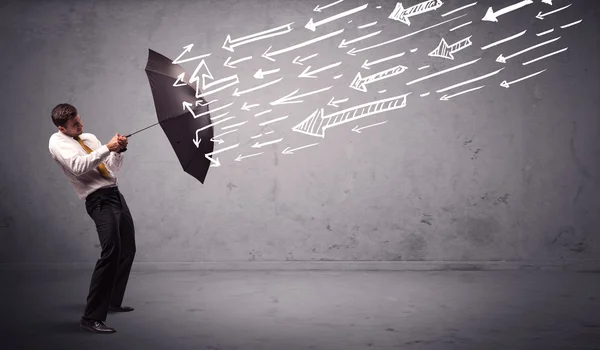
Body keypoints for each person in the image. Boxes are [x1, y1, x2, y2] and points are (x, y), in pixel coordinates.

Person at [48, 103, 136, 334]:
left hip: (115, 194)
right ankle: (91, 318)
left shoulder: (88, 138)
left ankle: (113, 300)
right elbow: (78, 166)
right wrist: (108, 146)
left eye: (80, 120)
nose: (80, 125)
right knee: (111, 253)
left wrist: (117, 151)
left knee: (128, 248)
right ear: (62, 128)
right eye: (75, 124)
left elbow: (111, 169)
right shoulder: (57, 142)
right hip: (98, 200)